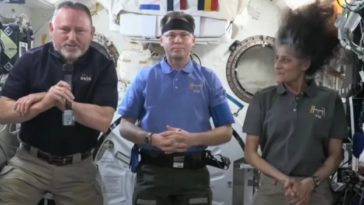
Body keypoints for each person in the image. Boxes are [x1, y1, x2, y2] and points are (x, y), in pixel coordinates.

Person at [0, 1, 117, 205]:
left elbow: (103, 120)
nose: (72, 38)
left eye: (79, 30)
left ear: (91, 32)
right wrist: (46, 100)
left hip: (78, 170)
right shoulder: (30, 60)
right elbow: (2, 111)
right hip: (29, 164)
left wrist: (65, 104)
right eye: (65, 29)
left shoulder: (103, 66)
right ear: (52, 29)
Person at [118, 11, 234, 205]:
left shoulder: (208, 78)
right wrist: (152, 139)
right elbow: (124, 126)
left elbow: (226, 131)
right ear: (161, 40)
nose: (177, 40)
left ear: (193, 40)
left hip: (194, 176)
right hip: (152, 175)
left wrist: (191, 139)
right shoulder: (144, 78)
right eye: (171, 35)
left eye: (184, 35)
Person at [243, 2, 347, 205]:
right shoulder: (263, 99)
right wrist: (284, 180)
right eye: (277, 59)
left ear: (305, 64)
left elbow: (336, 155)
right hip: (273, 188)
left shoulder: (329, 100)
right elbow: (250, 153)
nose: (277, 65)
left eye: (286, 60)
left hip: (315, 190)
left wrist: (311, 182)